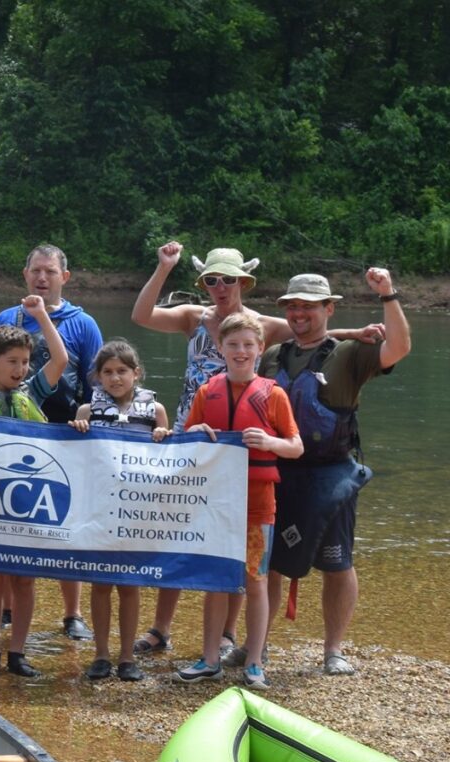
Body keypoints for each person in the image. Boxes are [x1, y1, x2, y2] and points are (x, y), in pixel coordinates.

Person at [127, 242, 373, 661]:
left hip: (240, 446)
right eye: (212, 280)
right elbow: (141, 315)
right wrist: (164, 267)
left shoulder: (262, 325)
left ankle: (227, 634)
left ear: (244, 282)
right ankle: (160, 628)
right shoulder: (193, 317)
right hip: (194, 436)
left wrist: (356, 335)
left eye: (229, 279)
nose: (220, 286)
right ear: (203, 284)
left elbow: (312, 335)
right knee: (179, 533)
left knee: (239, 542)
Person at [260, 270, 410, 676]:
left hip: (331, 475)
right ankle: (258, 645)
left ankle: (333, 651)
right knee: (268, 564)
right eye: (293, 306)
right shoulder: (272, 356)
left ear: (329, 308)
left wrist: (387, 294)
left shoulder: (352, 353)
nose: (299, 313)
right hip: (278, 472)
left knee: (337, 562)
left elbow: (399, 347)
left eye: (309, 306)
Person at [176, 313, 303, 690]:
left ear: (261, 349)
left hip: (257, 505)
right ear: (221, 348)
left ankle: (254, 661)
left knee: (256, 580)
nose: (241, 351)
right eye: (233, 344)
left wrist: (270, 442)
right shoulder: (207, 392)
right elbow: (186, 440)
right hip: (215, 503)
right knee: (216, 581)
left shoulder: (273, 395)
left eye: (248, 345)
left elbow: (296, 446)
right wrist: (196, 431)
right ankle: (210, 658)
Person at [0, 244, 100, 642]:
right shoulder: (6, 318)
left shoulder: (83, 323)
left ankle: (73, 613)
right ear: (25, 274)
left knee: (68, 523)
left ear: (64, 277)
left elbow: (96, 382)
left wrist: (91, 422)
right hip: (12, 434)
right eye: (36, 270)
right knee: (9, 517)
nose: (42, 278)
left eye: (50, 271)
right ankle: (7, 610)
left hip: (66, 432)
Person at [0, 295, 68, 678]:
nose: (21, 369)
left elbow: (61, 360)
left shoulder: (33, 393)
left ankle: (18, 652)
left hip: (30, 500)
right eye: (13, 361)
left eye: (25, 362)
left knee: (24, 579)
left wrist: (40, 315)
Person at [68, 340, 172, 682]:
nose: (115, 378)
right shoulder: (86, 412)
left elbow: (168, 459)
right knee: (100, 584)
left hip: (136, 511)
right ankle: (101, 654)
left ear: (136, 373)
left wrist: (164, 436)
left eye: (122, 371)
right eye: (108, 372)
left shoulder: (155, 410)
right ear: (98, 377)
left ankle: (127, 656)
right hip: (99, 509)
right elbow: (76, 460)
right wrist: (78, 432)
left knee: (129, 585)